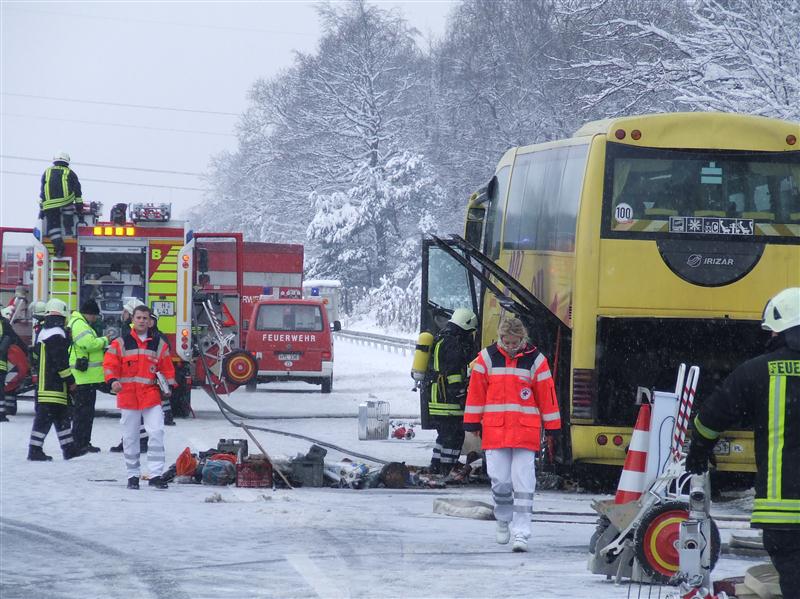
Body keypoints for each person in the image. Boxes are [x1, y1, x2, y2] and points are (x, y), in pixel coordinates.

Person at [686, 287, 800, 599]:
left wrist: (698, 453)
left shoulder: (756, 371)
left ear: (780, 330)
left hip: (784, 515)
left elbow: (709, 420)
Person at [463, 315, 561, 553]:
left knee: (524, 483)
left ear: (522, 339)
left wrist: (552, 427)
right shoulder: (486, 359)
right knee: (500, 481)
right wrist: (472, 423)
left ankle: (522, 533)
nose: (509, 346)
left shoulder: (536, 361)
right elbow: (476, 393)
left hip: (524, 433)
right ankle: (503, 518)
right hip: (496, 432)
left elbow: (547, 396)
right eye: (506, 341)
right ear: (500, 337)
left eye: (514, 342)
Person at [103, 305, 176, 489]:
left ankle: (155, 475)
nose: (142, 321)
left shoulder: (159, 344)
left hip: (151, 397)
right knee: (130, 438)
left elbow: (167, 368)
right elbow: (109, 364)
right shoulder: (120, 343)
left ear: (150, 320)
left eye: (145, 318)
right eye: (139, 318)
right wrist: (112, 381)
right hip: (128, 397)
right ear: (132, 320)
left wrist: (169, 386)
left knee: (157, 432)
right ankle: (133, 475)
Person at [27, 299, 87, 461]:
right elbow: (61, 362)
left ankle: (69, 449)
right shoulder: (57, 334)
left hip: (45, 384)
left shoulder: (43, 332)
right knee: (44, 420)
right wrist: (70, 380)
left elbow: (35, 357)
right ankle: (34, 450)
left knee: (61, 417)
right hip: (53, 386)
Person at [425, 307, 477, 475]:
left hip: (436, 395)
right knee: (454, 436)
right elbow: (454, 372)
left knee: (444, 435)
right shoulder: (454, 343)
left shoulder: (441, 337)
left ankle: (436, 465)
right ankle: (447, 467)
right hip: (448, 398)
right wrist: (460, 392)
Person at [68, 299, 111, 453]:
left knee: (85, 413)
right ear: (89, 314)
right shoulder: (80, 324)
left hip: (86, 378)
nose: (95, 319)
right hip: (83, 378)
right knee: (83, 414)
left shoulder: (79, 322)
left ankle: (83, 441)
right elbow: (88, 344)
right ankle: (81, 443)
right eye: (95, 316)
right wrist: (105, 340)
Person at [39, 151, 84, 258]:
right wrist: (79, 207)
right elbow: (77, 190)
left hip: (49, 205)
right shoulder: (70, 173)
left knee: (53, 228)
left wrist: (41, 210)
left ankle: (59, 247)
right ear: (67, 161)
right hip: (66, 201)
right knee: (68, 207)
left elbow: (42, 191)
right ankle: (68, 226)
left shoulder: (47, 172)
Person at [0, 305, 27, 420]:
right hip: (1, 362)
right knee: (2, 389)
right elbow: (14, 339)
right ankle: (2, 413)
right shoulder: (3, 324)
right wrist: (26, 351)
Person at [149, 312, 175, 426]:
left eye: (151, 320)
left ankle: (168, 416)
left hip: (160, 370)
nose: (148, 322)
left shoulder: (159, 335)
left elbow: (166, 350)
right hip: (149, 369)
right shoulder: (145, 335)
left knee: (163, 394)